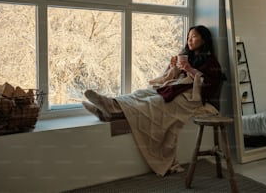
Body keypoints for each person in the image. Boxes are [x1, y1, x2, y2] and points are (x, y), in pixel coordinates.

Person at [82, 25, 223, 176]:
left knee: (154, 102)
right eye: (188, 37)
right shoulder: (187, 56)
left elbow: (209, 86)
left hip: (191, 97)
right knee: (142, 93)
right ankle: (110, 104)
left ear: (204, 40)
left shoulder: (211, 62)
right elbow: (169, 77)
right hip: (175, 87)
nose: (189, 40)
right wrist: (172, 67)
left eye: (193, 37)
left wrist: (189, 69)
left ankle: (109, 111)